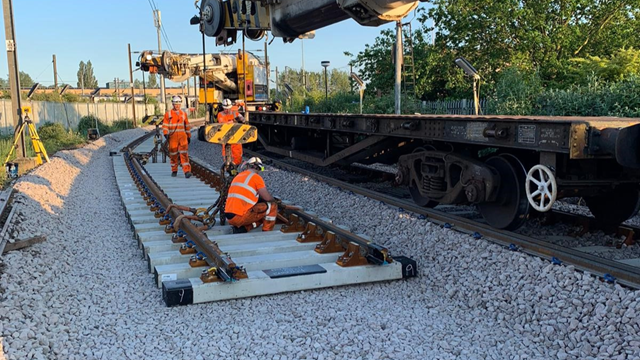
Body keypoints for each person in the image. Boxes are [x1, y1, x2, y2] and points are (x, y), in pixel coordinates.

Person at [224, 157, 277, 233]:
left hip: (230, 218)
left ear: (247, 166)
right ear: (258, 168)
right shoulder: (256, 177)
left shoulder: (238, 176)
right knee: (272, 206)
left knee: (260, 216)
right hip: (240, 217)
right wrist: (274, 200)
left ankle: (243, 229)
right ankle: (267, 231)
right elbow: (267, 198)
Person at [163, 95, 192, 178]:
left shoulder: (183, 114)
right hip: (173, 137)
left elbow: (187, 126)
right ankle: (174, 170)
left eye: (179, 104)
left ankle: (187, 171)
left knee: (184, 154)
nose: (177, 106)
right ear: (173, 104)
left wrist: (188, 136)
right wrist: (166, 133)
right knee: (173, 153)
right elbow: (165, 125)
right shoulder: (168, 114)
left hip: (183, 137)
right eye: (176, 104)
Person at [216, 98, 245, 165]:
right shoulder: (220, 114)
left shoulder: (234, 112)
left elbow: (242, 119)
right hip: (226, 138)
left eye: (228, 108)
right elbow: (223, 124)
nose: (227, 110)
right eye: (225, 109)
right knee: (227, 153)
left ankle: (236, 166)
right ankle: (228, 166)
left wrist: (240, 118)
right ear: (223, 108)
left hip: (235, 137)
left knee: (237, 153)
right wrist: (233, 121)